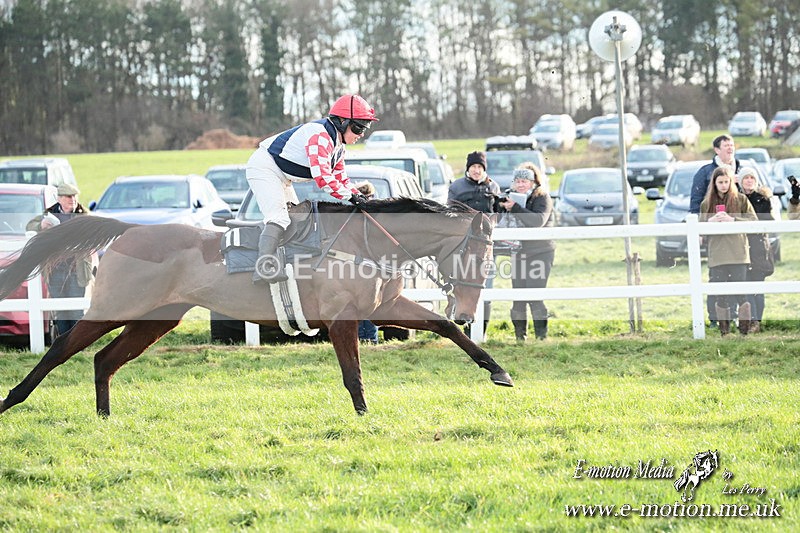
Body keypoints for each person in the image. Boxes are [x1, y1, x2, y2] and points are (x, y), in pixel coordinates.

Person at [246, 94, 378, 283]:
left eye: (365, 128)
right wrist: (351, 197)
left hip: (283, 176)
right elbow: (323, 179)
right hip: (264, 167)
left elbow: (341, 180)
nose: (361, 134)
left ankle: (284, 263)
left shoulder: (339, 147)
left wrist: (360, 197)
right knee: (279, 217)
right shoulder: (320, 136)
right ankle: (263, 268)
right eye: (358, 127)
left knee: (297, 218)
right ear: (342, 122)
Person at [26, 183, 95, 336]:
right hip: (54, 270)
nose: (73, 200)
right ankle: (63, 343)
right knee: (60, 311)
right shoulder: (49, 215)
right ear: (60, 199)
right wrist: (41, 225)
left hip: (77, 270)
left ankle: (76, 343)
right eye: (69, 197)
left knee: (76, 310)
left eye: (75, 196)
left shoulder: (85, 216)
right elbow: (29, 227)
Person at [689, 134, 743, 326]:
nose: (730, 148)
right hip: (715, 235)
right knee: (717, 276)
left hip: (739, 236)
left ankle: (740, 318)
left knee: (741, 276)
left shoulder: (744, 169)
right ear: (716, 149)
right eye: (726, 145)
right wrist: (699, 230)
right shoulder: (704, 173)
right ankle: (716, 319)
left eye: (732, 145)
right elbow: (696, 204)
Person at [498, 165, 555, 341]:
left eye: (525, 181)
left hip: (540, 252)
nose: (521, 184)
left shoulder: (542, 197)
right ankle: (520, 338)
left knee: (534, 295)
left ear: (533, 182)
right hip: (518, 252)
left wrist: (514, 208)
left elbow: (537, 221)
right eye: (518, 181)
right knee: (518, 297)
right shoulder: (509, 197)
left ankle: (541, 338)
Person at [699, 167, 757, 336]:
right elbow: (700, 229)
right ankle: (724, 331)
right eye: (720, 182)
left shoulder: (741, 199)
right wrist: (710, 221)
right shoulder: (706, 203)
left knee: (741, 292)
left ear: (731, 182)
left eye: (726, 182)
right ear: (714, 183)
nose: (724, 185)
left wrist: (733, 219)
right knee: (720, 293)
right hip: (717, 254)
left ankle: (744, 330)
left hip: (738, 253)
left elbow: (753, 220)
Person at [447, 151, 500, 334]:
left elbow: (497, 215)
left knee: (484, 287)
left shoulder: (493, 187)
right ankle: (460, 328)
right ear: (468, 168)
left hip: (484, 247)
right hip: (464, 246)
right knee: (461, 285)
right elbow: (451, 212)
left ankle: (480, 331)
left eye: (480, 167)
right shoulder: (457, 186)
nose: (476, 170)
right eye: (473, 167)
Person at [739, 167, 775, 333]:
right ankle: (748, 320)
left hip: (759, 248)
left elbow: (766, 224)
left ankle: (756, 321)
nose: (749, 181)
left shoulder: (763, 200)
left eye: (752, 178)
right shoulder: (736, 199)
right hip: (740, 247)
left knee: (757, 287)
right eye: (746, 178)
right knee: (745, 287)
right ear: (740, 180)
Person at [354, 181, 379, 344]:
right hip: (357, 267)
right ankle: (362, 340)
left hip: (370, 267)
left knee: (368, 306)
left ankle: (370, 339)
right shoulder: (353, 217)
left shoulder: (377, 217)